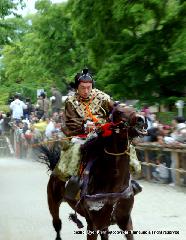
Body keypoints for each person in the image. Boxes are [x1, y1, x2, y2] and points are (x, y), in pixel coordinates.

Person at [55, 68, 141, 198]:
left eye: (88, 87)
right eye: (82, 88)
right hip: (81, 134)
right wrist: (84, 125)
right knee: (77, 149)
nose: (86, 91)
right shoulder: (70, 101)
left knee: (125, 145)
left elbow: (116, 110)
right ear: (77, 87)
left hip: (105, 131)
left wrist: (128, 115)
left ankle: (129, 179)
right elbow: (69, 122)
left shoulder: (102, 97)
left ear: (92, 86)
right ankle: (75, 179)